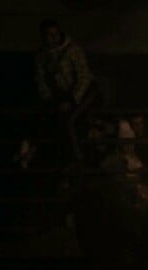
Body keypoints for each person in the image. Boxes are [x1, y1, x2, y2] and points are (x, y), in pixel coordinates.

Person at [35, 18, 96, 167]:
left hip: (82, 94)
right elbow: (41, 80)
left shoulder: (73, 51)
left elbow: (84, 77)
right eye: (49, 35)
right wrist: (49, 99)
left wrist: (73, 100)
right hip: (61, 97)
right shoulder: (42, 56)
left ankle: (78, 158)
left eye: (55, 34)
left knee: (69, 121)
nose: (53, 38)